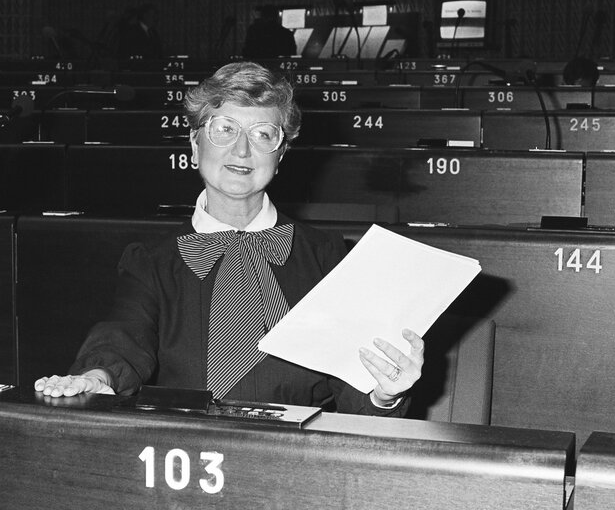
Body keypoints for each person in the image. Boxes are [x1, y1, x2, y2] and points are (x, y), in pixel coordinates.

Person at [34, 62, 425, 416]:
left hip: (299, 460)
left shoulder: (325, 255)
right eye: (224, 129)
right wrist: (97, 378)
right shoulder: (150, 262)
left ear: (280, 154)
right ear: (194, 144)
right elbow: (122, 338)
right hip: (179, 454)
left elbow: (352, 383)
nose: (242, 149)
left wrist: (384, 393)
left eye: (262, 134)